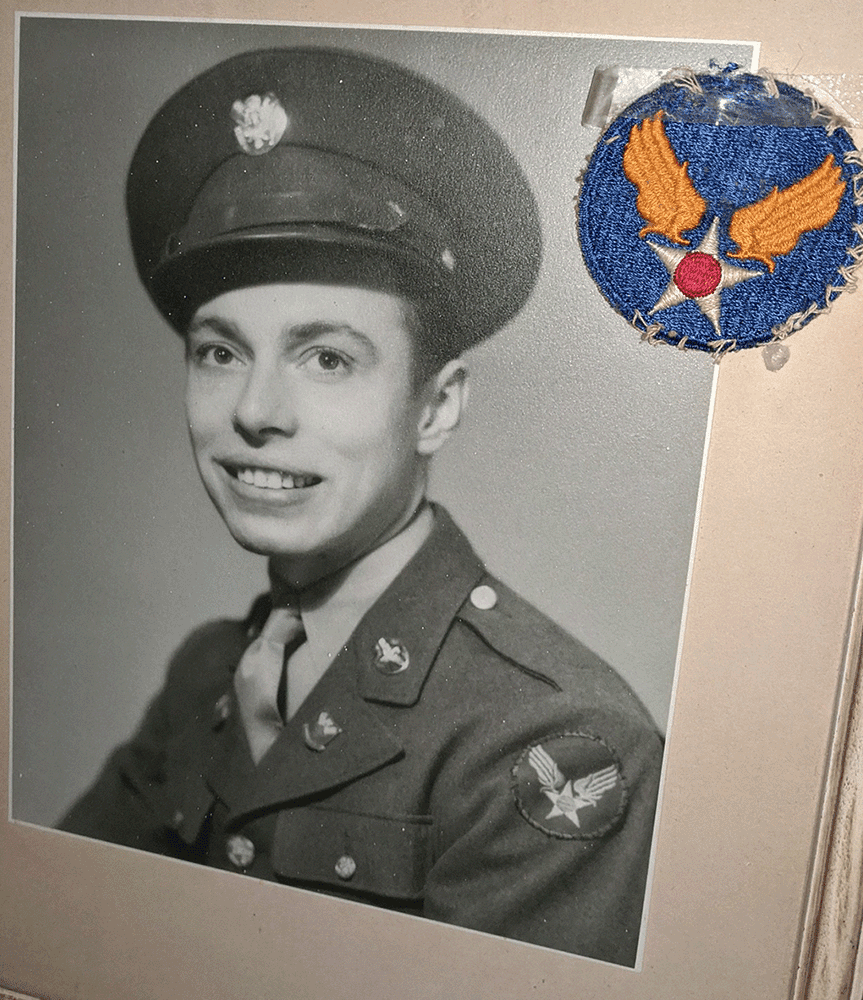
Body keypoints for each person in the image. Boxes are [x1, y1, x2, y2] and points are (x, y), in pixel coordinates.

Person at [59, 46, 663, 967]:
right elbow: (48, 929)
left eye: (327, 358)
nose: (255, 412)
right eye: (220, 352)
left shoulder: (550, 742)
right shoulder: (209, 674)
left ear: (436, 406)